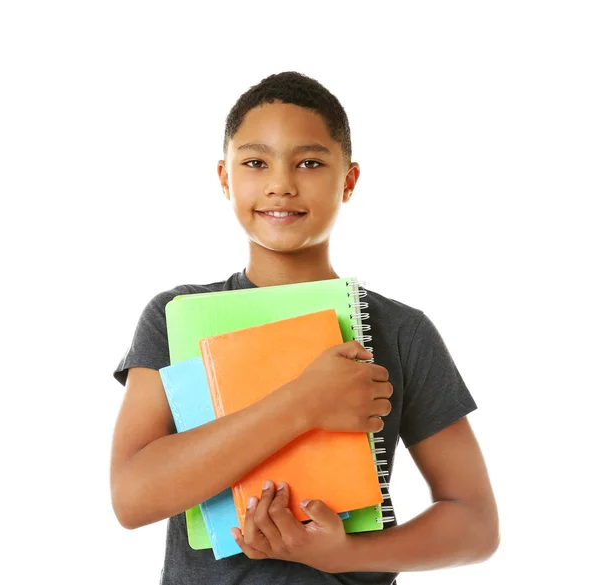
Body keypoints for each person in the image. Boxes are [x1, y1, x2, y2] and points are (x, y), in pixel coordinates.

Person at [111, 71, 499, 585]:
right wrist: (303, 403)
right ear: (225, 178)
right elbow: (133, 498)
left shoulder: (401, 330)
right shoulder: (174, 315)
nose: (281, 183)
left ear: (349, 180)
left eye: (310, 163)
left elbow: (475, 523)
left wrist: (339, 555)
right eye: (255, 162)